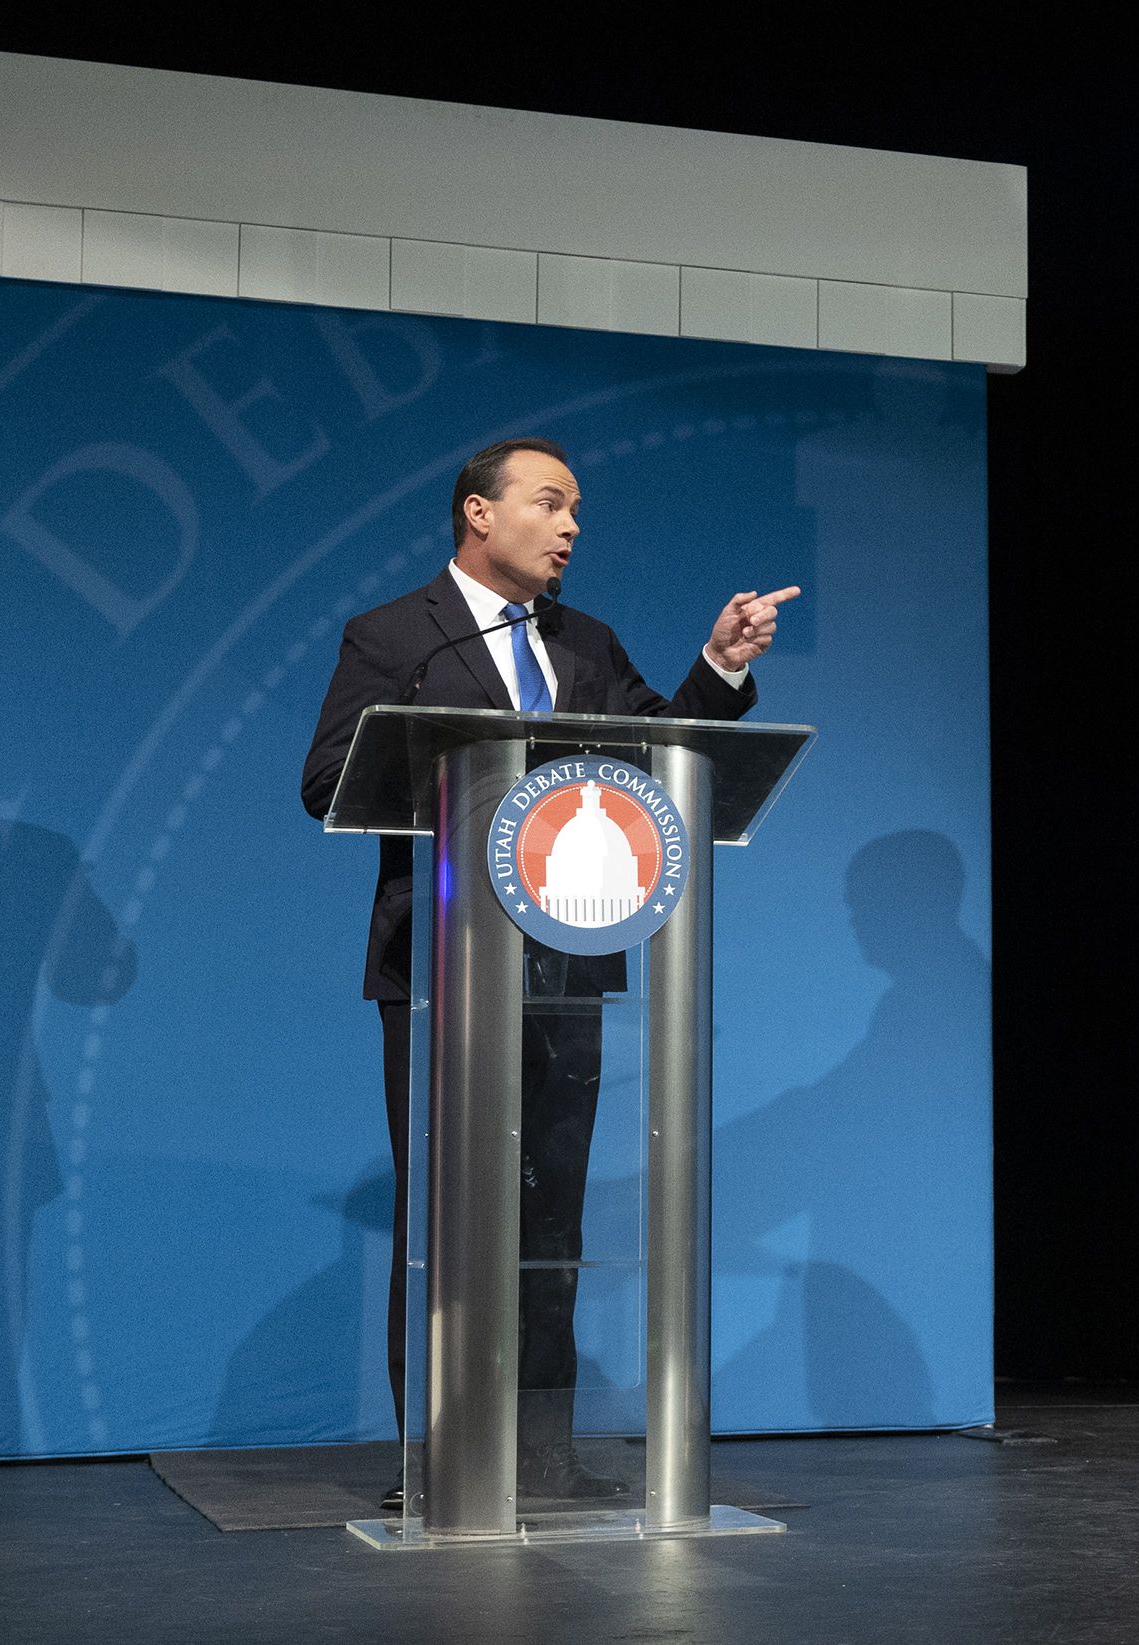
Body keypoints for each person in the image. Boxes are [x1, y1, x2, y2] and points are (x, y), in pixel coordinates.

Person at [299, 437, 795, 1506]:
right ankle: (429, 1460)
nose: (571, 526)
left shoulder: (588, 642)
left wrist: (720, 668)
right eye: (551, 503)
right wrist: (467, 757)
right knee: (446, 1217)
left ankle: (543, 1454)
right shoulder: (394, 637)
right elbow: (329, 776)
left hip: (565, 964)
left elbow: (666, 750)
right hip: (438, 970)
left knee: (550, 1225)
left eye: (578, 510)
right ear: (478, 513)